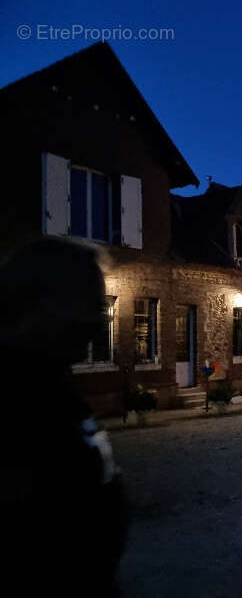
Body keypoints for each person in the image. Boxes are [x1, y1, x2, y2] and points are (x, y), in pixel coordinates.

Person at [0, 237, 127, 596]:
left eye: (100, 308)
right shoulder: (16, 402)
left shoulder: (49, 383)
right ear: (37, 302)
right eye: (86, 305)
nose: (97, 322)